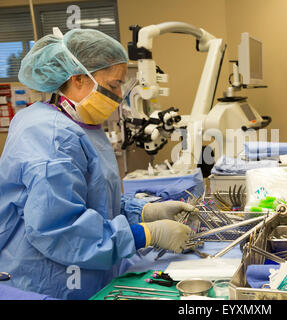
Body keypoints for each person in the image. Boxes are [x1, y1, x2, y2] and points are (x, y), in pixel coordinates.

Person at [0, 28, 195, 300]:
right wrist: (144, 235)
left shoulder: (80, 125)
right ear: (78, 78)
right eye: (114, 84)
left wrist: (145, 212)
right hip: (49, 281)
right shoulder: (52, 137)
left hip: (88, 271)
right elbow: (60, 230)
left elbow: (95, 197)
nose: (118, 94)